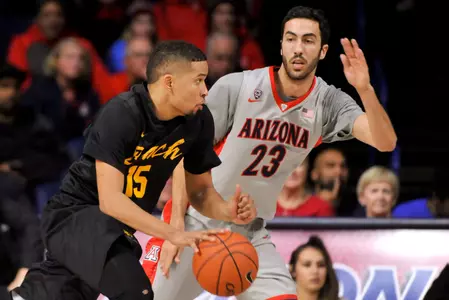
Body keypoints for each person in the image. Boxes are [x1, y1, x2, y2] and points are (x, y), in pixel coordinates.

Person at [145, 6, 397, 300]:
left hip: (249, 232)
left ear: (323, 50)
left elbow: (385, 142)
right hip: (195, 222)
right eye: (291, 39)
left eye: (308, 40)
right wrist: (176, 226)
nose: (298, 49)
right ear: (281, 46)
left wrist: (364, 89)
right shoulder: (238, 87)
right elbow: (184, 151)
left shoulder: (328, 103)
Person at [12, 40, 256, 300]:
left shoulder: (198, 121)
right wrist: (174, 233)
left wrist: (227, 210)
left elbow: (201, 192)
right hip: (77, 216)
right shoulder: (123, 113)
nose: (206, 91)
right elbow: (110, 201)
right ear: (169, 82)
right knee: (135, 293)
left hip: (115, 231)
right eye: (198, 81)